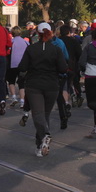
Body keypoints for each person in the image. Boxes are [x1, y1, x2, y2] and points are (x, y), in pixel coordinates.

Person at [18, 22, 67, 157]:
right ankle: (40, 145)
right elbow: (63, 68)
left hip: (34, 85)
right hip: (52, 86)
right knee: (45, 115)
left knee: (38, 114)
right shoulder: (56, 50)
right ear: (51, 33)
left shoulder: (31, 49)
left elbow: (22, 67)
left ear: (37, 34)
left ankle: (45, 135)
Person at [7, 26, 28, 109]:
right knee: (22, 83)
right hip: (23, 65)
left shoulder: (11, 42)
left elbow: (8, 52)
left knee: (11, 81)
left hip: (13, 64)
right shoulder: (25, 42)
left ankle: (14, 97)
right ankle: (22, 101)